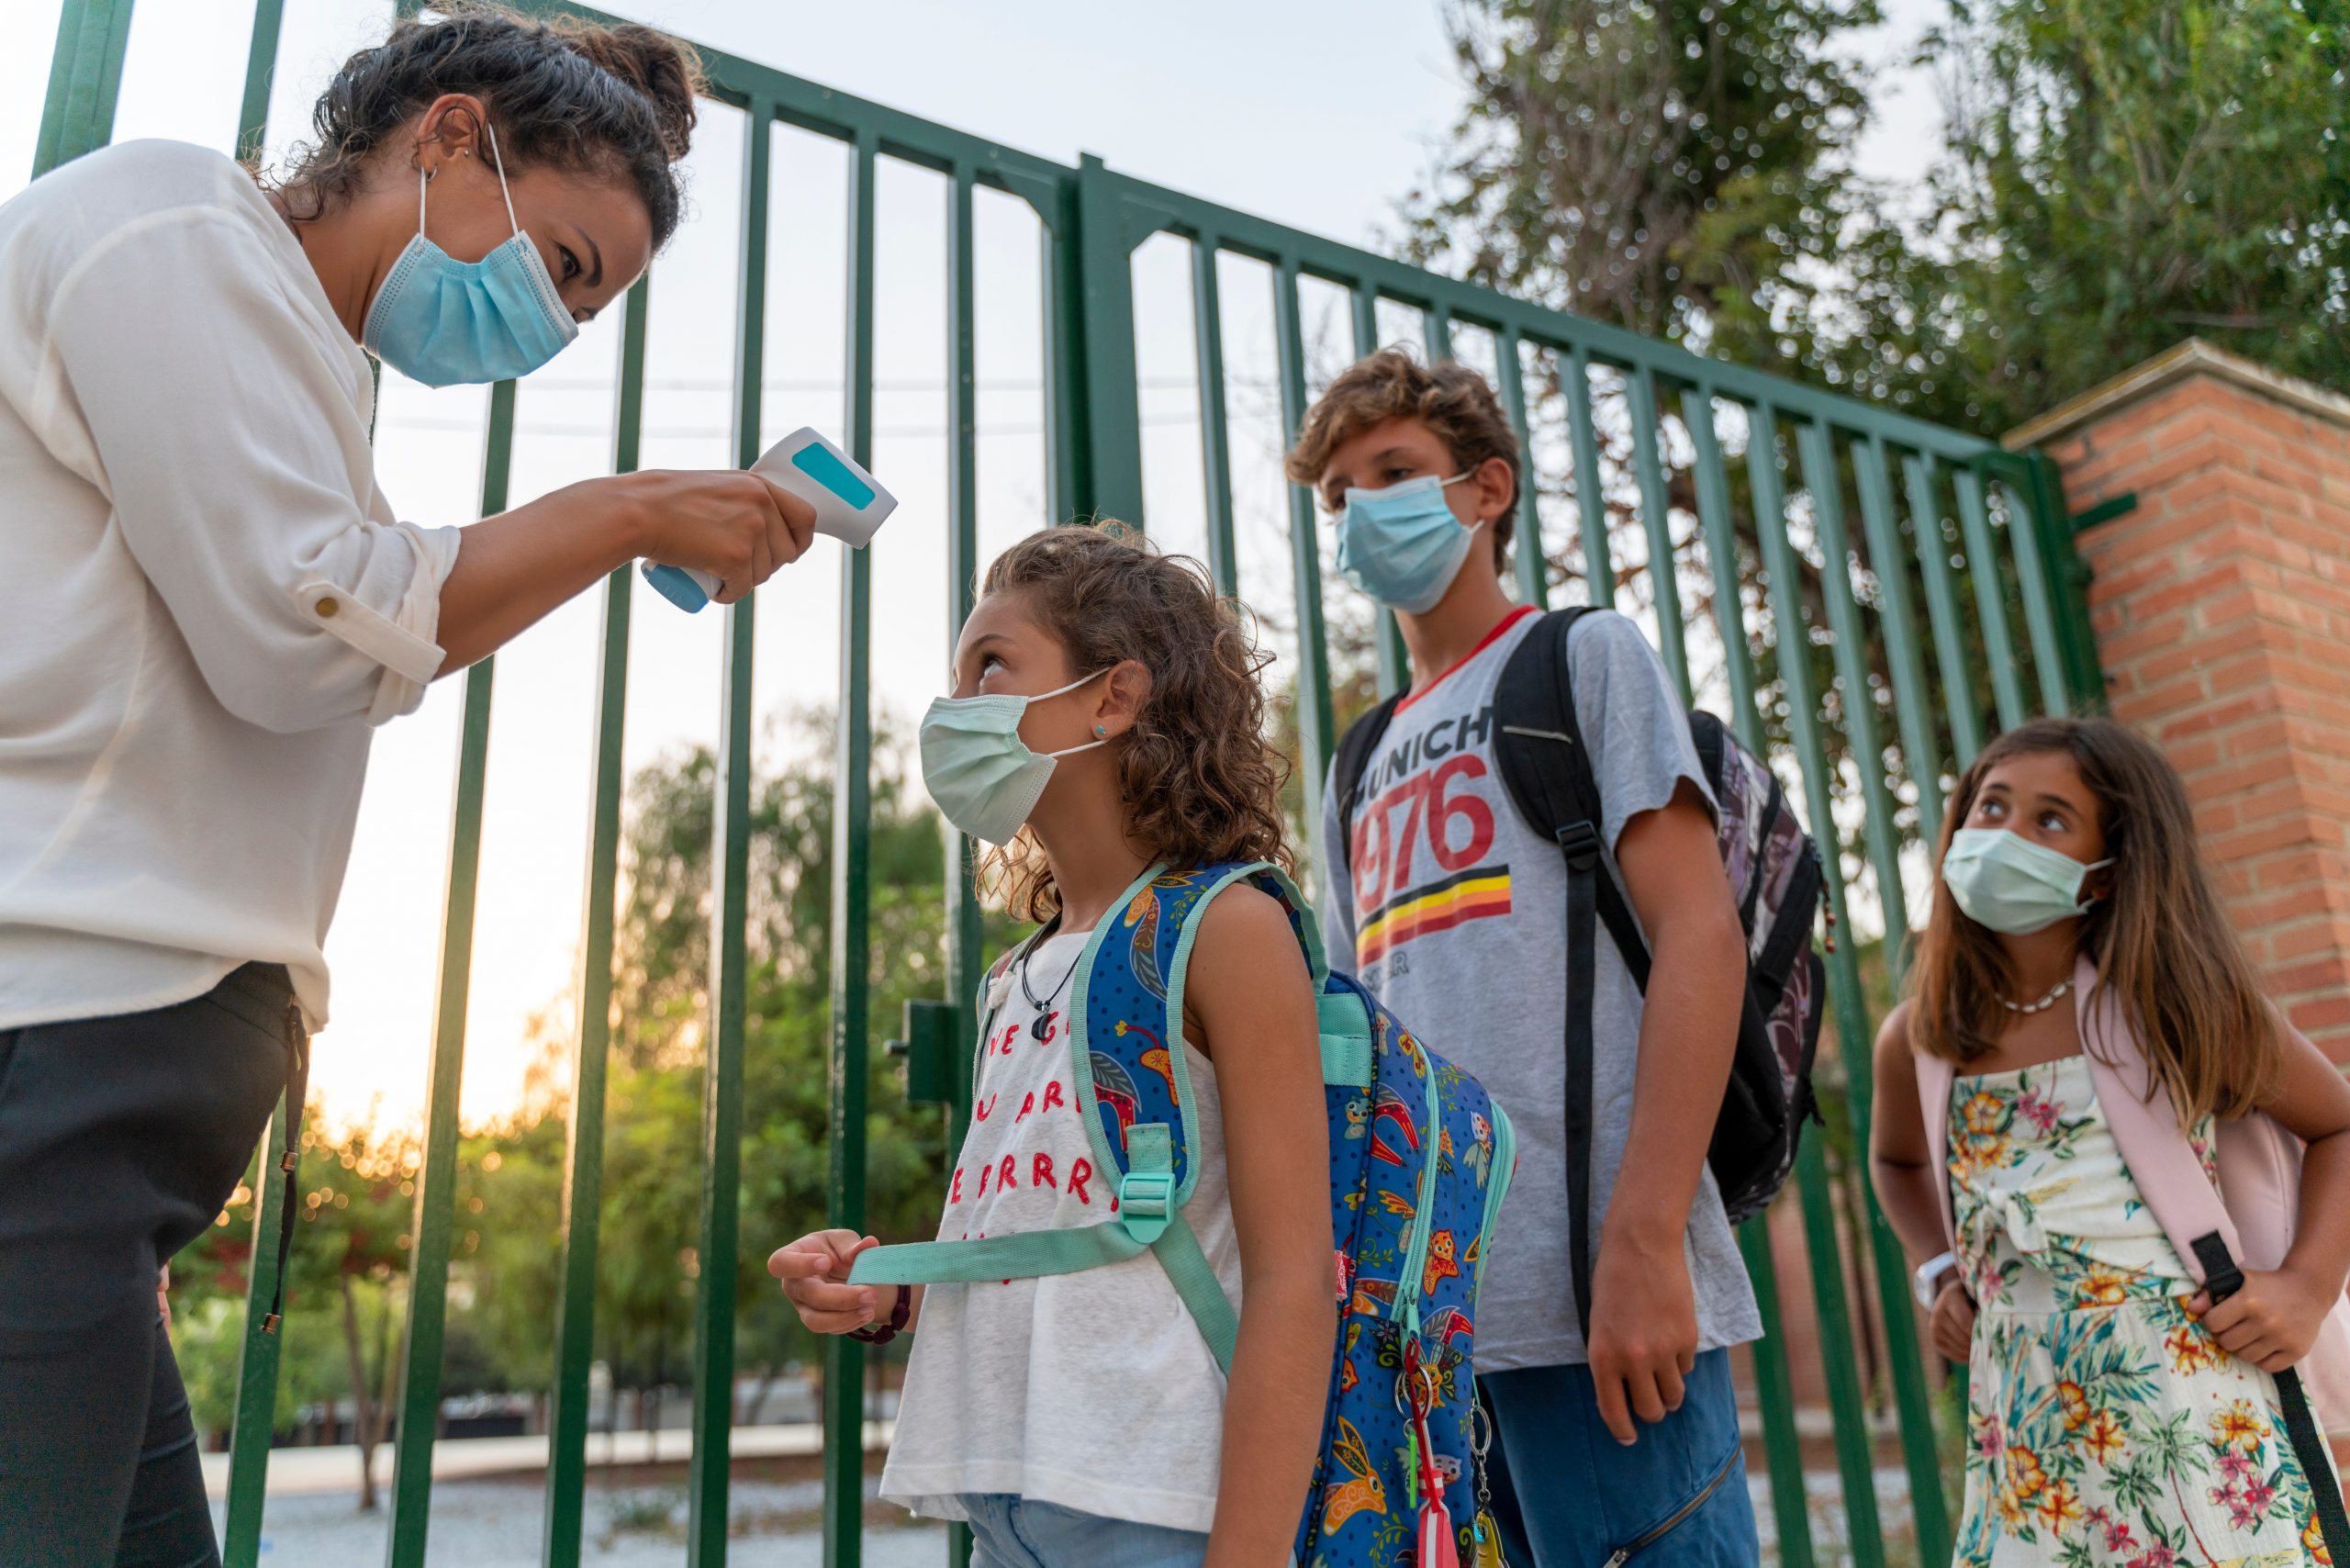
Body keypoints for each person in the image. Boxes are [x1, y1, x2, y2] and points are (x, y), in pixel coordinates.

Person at [0, 10, 817, 1563]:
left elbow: (346, 626)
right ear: (446, 136)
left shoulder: (296, 358)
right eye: (569, 267)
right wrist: (629, 510)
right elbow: (300, 625)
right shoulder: (170, 220)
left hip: (110, 1094)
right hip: (52, 1042)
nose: (560, 329)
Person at [769, 525, 1336, 1568]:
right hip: (1008, 1510)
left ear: (1111, 699)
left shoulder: (1228, 928)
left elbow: (1295, 1278)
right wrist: (890, 1285)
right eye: (954, 674)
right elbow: (1054, 1231)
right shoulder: (1013, 975)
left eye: (990, 663)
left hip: (1157, 1509)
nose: (955, 703)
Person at [1289, 349, 1762, 1565]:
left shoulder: (1581, 656)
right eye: (1340, 495)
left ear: (1487, 489)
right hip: (1425, 1334)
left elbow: (1701, 938)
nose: (1363, 511)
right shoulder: (1352, 761)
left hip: (1607, 1300)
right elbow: (1355, 1051)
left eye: (1396, 470)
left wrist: (1649, 1241)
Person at [1870, 716, 2350, 1565]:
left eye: (2050, 819)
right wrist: (1938, 1267)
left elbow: (2340, 1121)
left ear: (2106, 873)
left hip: (2192, 1415)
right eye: (1991, 807)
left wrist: (2308, 1287)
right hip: (2023, 1435)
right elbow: (1898, 1161)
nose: (2004, 835)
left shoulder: (2176, 1006)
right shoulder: (1922, 1038)